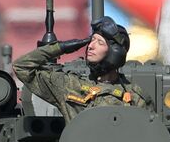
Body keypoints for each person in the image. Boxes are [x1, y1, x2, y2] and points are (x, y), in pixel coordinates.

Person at [12, 16, 150, 120]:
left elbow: (148, 135)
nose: (90, 46)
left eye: (99, 42)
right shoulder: (70, 85)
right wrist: (61, 47)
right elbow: (21, 67)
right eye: (91, 40)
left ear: (115, 53)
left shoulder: (133, 96)